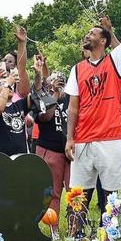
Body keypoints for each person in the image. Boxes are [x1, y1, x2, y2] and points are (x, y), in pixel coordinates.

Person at [65, 0, 121, 212]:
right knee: (78, 195)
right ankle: (76, 239)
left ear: (104, 41)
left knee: (111, 195)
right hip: (83, 138)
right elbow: (73, 107)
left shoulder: (114, 60)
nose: (88, 35)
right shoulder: (77, 68)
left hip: (110, 138)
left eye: (93, 32)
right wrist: (70, 138)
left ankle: (110, 239)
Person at [30, 61, 68, 215]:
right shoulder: (42, 98)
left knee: (76, 192)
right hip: (50, 149)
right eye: (53, 80)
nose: (56, 83)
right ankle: (54, 228)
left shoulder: (71, 99)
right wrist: (55, 95)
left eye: (60, 81)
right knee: (53, 192)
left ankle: (75, 229)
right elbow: (45, 117)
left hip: (70, 151)